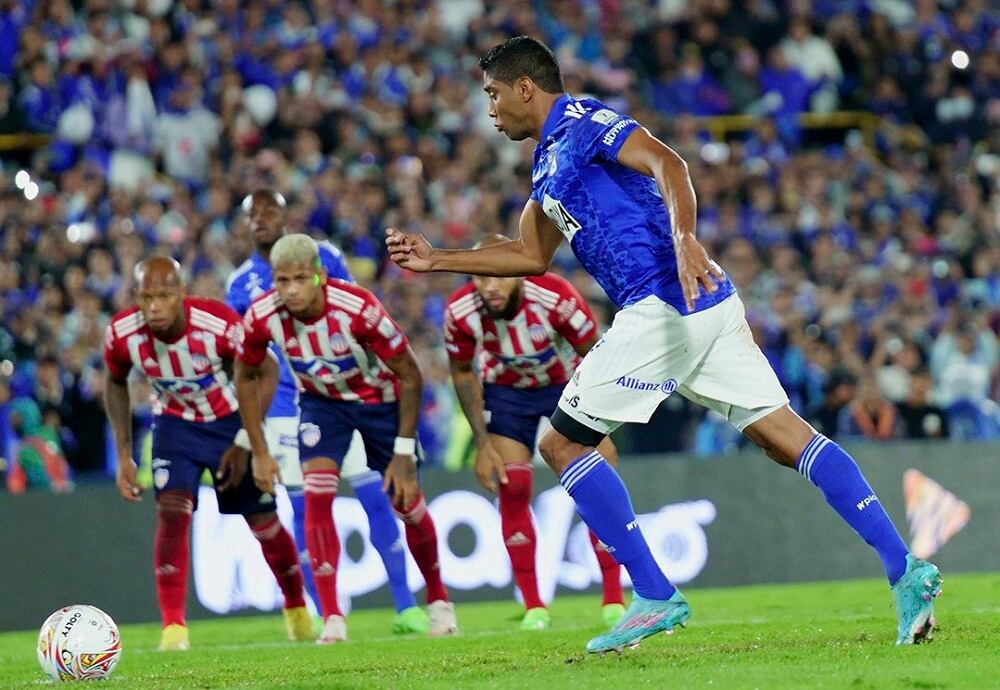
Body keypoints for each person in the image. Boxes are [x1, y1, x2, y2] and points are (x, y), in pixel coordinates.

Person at [386, 35, 941, 653]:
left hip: (664, 302)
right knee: (784, 437)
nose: (489, 109)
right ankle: (906, 571)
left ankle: (653, 593)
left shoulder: (584, 122)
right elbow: (530, 254)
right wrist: (437, 260)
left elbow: (668, 164)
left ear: (524, 88)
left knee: (562, 444)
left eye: (493, 94)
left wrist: (684, 239)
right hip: (707, 304)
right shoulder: (546, 164)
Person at [235, 233, 458, 644]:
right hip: (322, 404)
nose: (291, 290)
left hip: (380, 401)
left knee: (407, 504)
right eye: (282, 280)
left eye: (300, 279)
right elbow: (245, 375)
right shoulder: (262, 314)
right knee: (317, 496)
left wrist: (403, 452)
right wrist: (258, 450)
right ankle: (333, 617)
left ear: (319, 276)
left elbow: (410, 374)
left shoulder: (358, 308)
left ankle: (439, 601)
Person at [104, 257, 311, 651]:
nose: (155, 307)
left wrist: (248, 441)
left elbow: (267, 369)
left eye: (164, 296)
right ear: (137, 297)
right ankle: (173, 629)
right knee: (172, 513)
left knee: (263, 521)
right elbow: (114, 382)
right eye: (147, 298)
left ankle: (297, 609)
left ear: (181, 294)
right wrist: (124, 454)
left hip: (229, 423)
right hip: (174, 425)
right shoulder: (122, 332)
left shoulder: (217, 324)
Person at [445, 235, 624, 630]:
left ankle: (613, 597)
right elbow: (461, 372)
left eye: (499, 276)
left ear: (518, 272)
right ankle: (533, 606)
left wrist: (600, 419)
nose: (490, 286)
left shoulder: (555, 297)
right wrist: (482, 443)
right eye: (481, 277)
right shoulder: (460, 311)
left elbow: (595, 353)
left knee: (597, 482)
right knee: (512, 487)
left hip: (566, 386)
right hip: (507, 393)